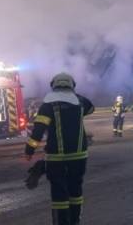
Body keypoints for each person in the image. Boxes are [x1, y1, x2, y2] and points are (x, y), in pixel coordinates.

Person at [25, 73, 95, 225]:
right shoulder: (80, 102)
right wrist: (74, 98)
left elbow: (38, 131)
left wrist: (29, 150)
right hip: (79, 157)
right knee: (75, 191)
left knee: (59, 194)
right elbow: (91, 108)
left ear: (53, 86)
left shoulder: (48, 105)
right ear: (72, 86)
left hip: (56, 158)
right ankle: (74, 222)